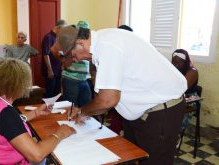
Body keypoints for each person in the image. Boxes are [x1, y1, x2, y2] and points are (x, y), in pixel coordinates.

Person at [53, 26, 187, 165]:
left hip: (160, 111)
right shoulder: (102, 44)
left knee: (154, 161)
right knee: (128, 157)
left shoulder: (108, 45)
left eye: (74, 55)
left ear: (80, 44)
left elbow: (107, 100)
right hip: (140, 113)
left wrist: (82, 111)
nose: (75, 60)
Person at [0, 59, 75, 165]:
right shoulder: (6, 114)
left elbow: (4, 127)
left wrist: (36, 113)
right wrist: (59, 134)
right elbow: (36, 155)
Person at [60, 21, 92, 107]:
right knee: (70, 106)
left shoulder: (89, 45)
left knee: (87, 105)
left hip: (84, 79)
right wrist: (73, 54)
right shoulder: (71, 44)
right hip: (70, 79)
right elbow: (65, 63)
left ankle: (82, 120)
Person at [109, 25, 133, 134]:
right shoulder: (115, 51)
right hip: (118, 96)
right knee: (117, 123)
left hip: (129, 97)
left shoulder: (132, 53)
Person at [172, 49, 199, 131]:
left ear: (185, 62)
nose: (175, 65)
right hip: (177, 97)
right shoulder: (174, 69)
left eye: (179, 62)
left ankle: (176, 135)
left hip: (190, 100)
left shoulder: (192, 71)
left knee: (174, 121)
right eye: (173, 62)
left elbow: (182, 89)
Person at [41, 19, 67, 97]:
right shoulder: (48, 37)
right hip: (51, 71)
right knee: (50, 93)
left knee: (57, 94)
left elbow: (60, 53)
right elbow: (46, 54)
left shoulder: (59, 38)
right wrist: (50, 70)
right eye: (64, 29)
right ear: (58, 28)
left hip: (58, 70)